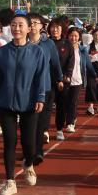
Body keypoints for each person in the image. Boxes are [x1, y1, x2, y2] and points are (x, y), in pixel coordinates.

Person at [0, 13, 50, 195]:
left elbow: (41, 77)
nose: (16, 28)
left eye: (21, 25)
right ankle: (9, 180)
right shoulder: (2, 51)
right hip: (6, 102)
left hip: (29, 103)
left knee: (29, 143)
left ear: (29, 28)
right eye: (13, 25)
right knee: (9, 142)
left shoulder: (37, 52)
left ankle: (28, 165)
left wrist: (40, 97)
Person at [27, 13, 63, 161]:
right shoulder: (21, 43)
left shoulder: (48, 44)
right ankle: (28, 150)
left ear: (42, 26)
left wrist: (59, 79)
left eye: (37, 23)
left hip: (44, 87)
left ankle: (38, 152)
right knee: (28, 122)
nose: (33, 25)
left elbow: (55, 63)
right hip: (25, 88)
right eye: (31, 22)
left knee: (41, 122)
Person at [57, 27, 95, 138]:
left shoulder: (82, 50)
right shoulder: (62, 48)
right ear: (67, 36)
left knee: (73, 102)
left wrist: (94, 75)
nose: (73, 38)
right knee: (64, 103)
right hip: (65, 80)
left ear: (79, 37)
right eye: (71, 35)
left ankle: (70, 123)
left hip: (77, 80)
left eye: (75, 36)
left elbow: (88, 64)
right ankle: (66, 120)